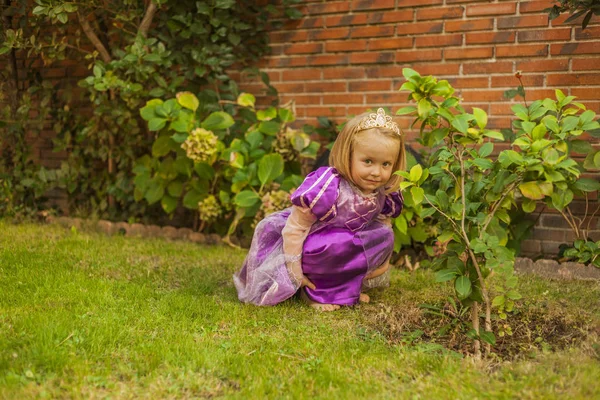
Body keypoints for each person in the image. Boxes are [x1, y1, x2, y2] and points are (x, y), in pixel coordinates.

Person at [233, 108, 406, 311]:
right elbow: (295, 230)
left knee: (379, 234)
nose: (377, 172)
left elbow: (384, 224)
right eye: (368, 161)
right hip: (311, 244)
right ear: (347, 155)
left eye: (386, 164)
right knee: (337, 242)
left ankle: (345, 289)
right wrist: (295, 274)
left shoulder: (383, 192)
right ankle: (313, 292)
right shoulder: (329, 187)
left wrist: (381, 263)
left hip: (344, 246)